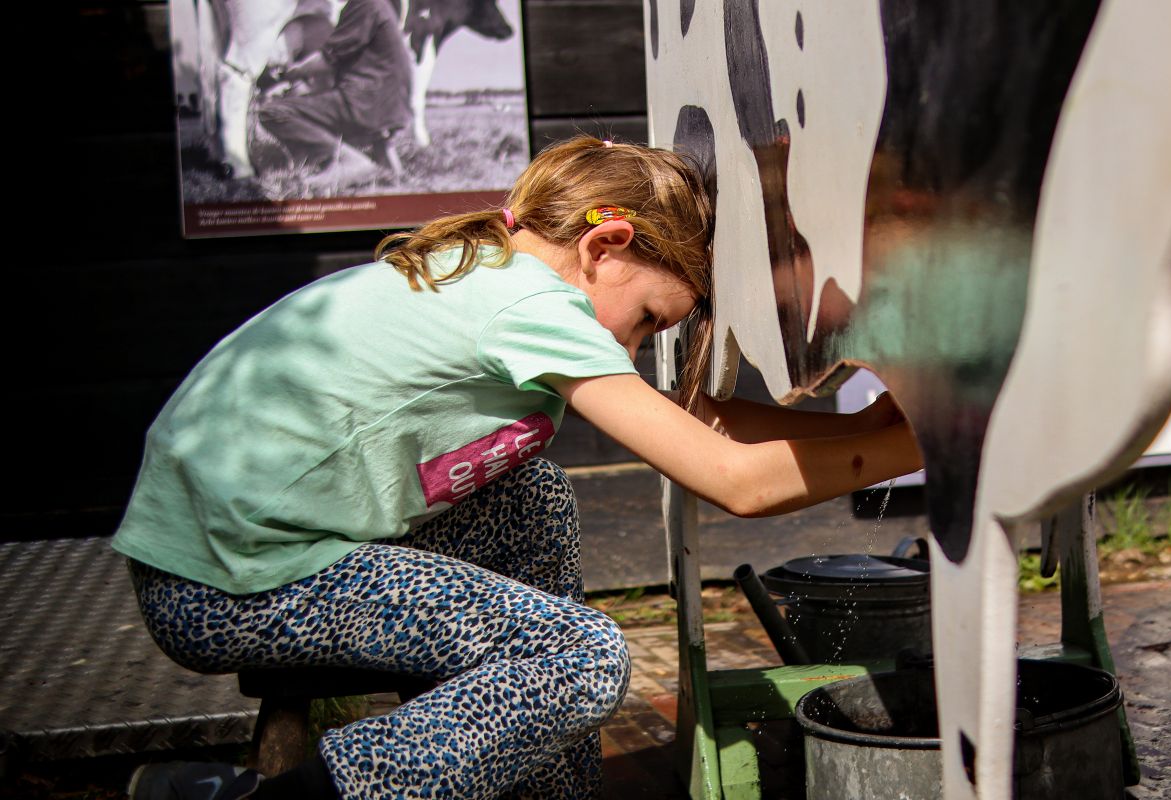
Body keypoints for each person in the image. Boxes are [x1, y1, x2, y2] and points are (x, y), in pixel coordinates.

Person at [115, 135, 923, 800]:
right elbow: (736, 481)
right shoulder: (532, 305)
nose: (629, 350)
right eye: (646, 320)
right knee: (581, 658)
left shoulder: (494, 271)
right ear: (605, 244)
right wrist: (914, 444)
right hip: (231, 585)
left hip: (234, 556)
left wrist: (861, 427)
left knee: (533, 497)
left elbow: (695, 420)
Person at [256, 0, 414, 180]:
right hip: (393, 107)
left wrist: (285, 74)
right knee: (322, 100)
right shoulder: (383, 6)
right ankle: (386, 160)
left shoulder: (364, 4)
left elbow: (328, 59)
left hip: (365, 103)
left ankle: (344, 159)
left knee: (272, 112)